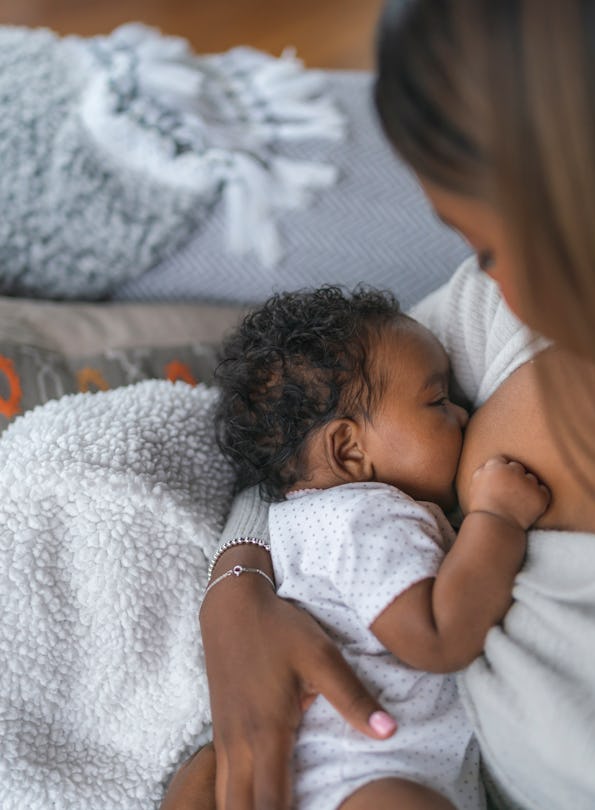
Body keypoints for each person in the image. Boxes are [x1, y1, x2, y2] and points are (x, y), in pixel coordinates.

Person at [198, 2, 595, 808]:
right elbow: (294, 439)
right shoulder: (488, 323)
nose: (490, 281)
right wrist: (236, 593)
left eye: (499, 247)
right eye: (477, 248)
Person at [167, 285, 549, 810]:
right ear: (348, 450)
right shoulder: (369, 516)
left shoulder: (295, 521)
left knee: (201, 772)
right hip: (367, 779)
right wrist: (496, 518)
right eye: (438, 401)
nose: (462, 415)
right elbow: (437, 636)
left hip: (280, 779)